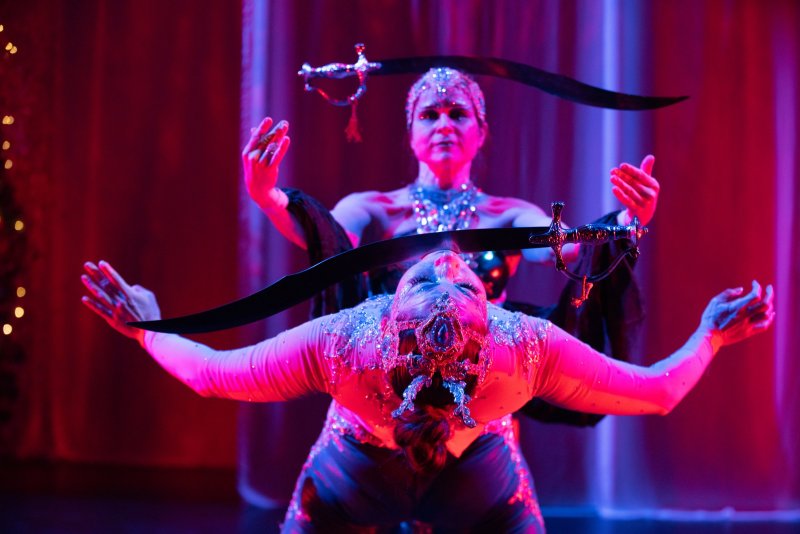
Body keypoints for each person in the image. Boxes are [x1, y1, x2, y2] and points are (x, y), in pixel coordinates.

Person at [81, 252, 773, 532]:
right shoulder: (521, 348)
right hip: (475, 481)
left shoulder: (347, 340)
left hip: (353, 478)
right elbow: (656, 393)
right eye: (459, 276)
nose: (449, 257)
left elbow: (210, 374)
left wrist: (148, 330)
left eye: (448, 277)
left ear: (388, 312)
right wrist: (706, 338)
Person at [242, 67, 659, 425]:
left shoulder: (508, 215)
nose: (444, 125)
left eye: (458, 114)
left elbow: (571, 249)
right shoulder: (373, 209)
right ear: (411, 133)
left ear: (481, 133)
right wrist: (268, 196)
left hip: (481, 405)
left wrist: (628, 220)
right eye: (429, 115)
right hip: (381, 402)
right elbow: (324, 238)